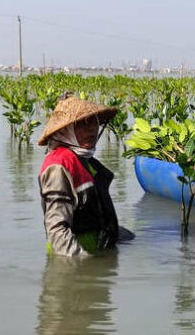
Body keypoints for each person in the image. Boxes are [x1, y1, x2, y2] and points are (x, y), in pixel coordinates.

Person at [37, 94, 133, 256]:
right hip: (75, 259)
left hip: (98, 250)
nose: (91, 128)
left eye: (93, 121)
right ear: (65, 131)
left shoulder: (85, 161)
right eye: (82, 123)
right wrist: (84, 269)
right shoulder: (58, 166)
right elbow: (57, 230)